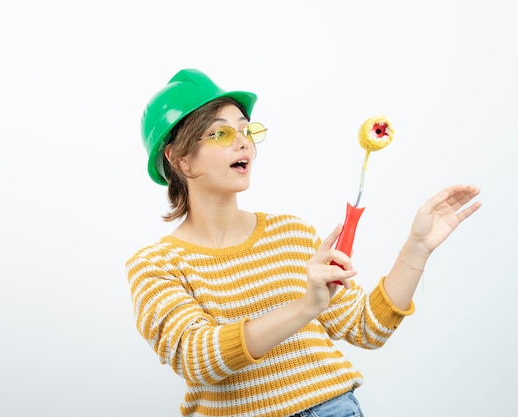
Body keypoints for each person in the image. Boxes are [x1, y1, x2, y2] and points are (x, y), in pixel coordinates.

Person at [125, 68, 481, 417]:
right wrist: (305, 307)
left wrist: (416, 248)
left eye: (246, 130)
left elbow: (367, 327)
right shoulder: (155, 265)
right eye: (221, 134)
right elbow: (197, 358)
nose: (243, 141)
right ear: (179, 158)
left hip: (333, 409)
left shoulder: (291, 234)